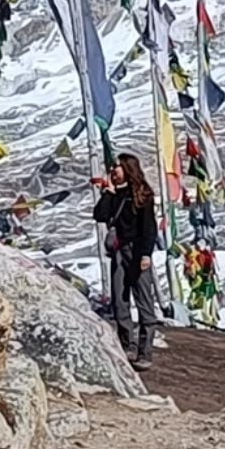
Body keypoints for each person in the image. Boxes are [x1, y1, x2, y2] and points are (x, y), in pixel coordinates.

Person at [92, 153, 163, 368]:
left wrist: (145, 254)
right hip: (119, 251)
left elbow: (148, 228)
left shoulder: (143, 195)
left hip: (137, 250)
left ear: (128, 169)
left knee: (143, 300)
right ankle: (126, 347)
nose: (113, 171)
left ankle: (145, 351)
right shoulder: (115, 195)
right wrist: (108, 192)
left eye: (117, 167)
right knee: (119, 300)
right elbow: (100, 216)